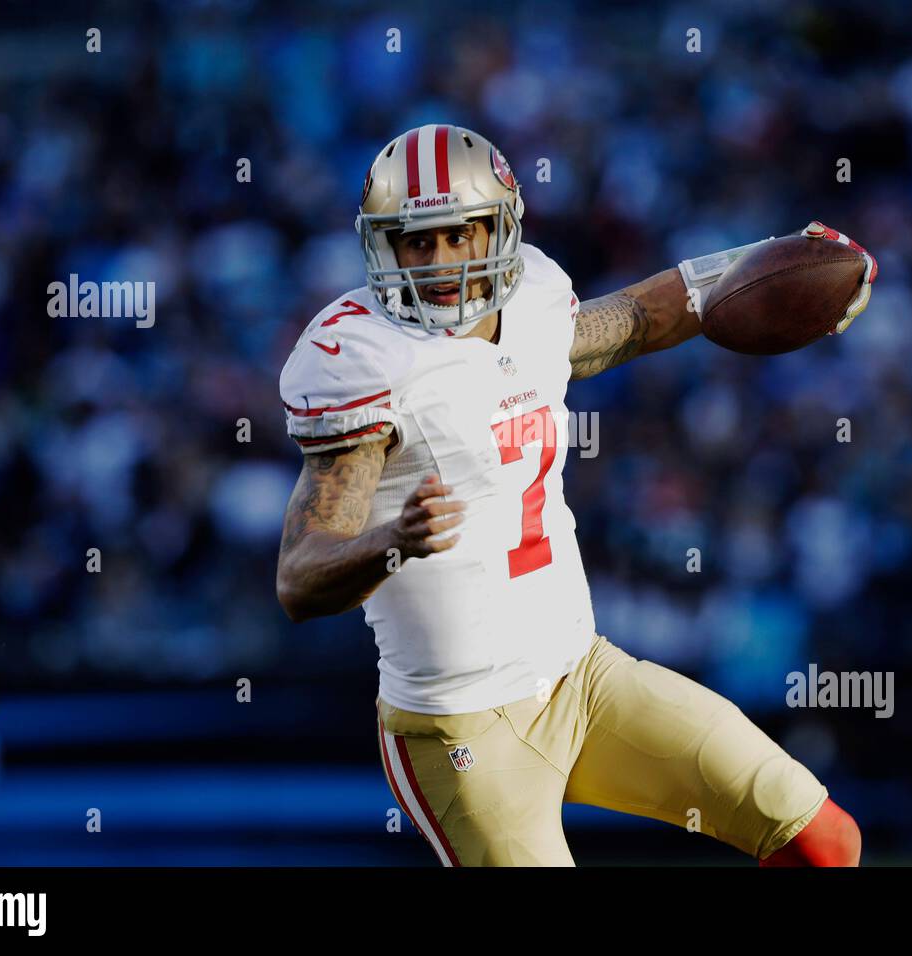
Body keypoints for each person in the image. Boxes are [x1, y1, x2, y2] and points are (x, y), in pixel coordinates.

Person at [276, 124, 873, 866]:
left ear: (497, 228)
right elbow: (300, 577)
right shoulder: (362, 357)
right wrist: (389, 541)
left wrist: (797, 256)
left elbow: (642, 318)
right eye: (413, 242)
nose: (434, 262)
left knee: (823, 841)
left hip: (584, 678)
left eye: (456, 235)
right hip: (460, 729)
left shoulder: (533, 300)